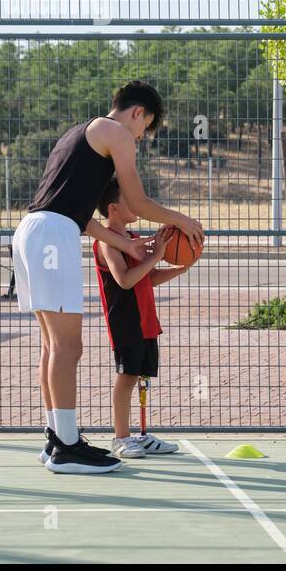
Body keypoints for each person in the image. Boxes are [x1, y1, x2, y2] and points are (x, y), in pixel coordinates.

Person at [12, 81, 204, 474]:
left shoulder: (77, 134)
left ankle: (55, 439)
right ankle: (67, 447)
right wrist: (184, 219)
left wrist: (127, 243)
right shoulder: (116, 132)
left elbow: (76, 212)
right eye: (144, 128)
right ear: (138, 113)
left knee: (52, 345)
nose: (139, 137)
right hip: (53, 234)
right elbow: (136, 202)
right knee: (68, 347)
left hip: (34, 230)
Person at [92, 176, 188, 457]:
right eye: (129, 200)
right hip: (125, 320)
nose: (136, 203)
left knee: (141, 375)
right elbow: (124, 280)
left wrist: (181, 267)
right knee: (127, 377)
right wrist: (155, 256)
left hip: (146, 318)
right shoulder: (107, 243)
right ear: (113, 209)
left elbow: (149, 277)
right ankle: (121, 437)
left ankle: (142, 435)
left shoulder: (133, 239)